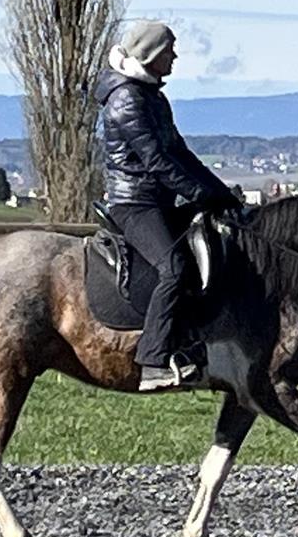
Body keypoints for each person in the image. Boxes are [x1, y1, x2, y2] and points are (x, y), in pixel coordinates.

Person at [95, 20, 242, 391]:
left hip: (157, 201)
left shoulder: (152, 96)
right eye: (169, 51)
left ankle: (195, 347)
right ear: (151, 54)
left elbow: (179, 152)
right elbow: (156, 161)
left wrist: (220, 192)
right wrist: (199, 194)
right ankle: (152, 360)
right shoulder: (127, 98)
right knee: (173, 268)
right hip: (135, 204)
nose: (175, 57)